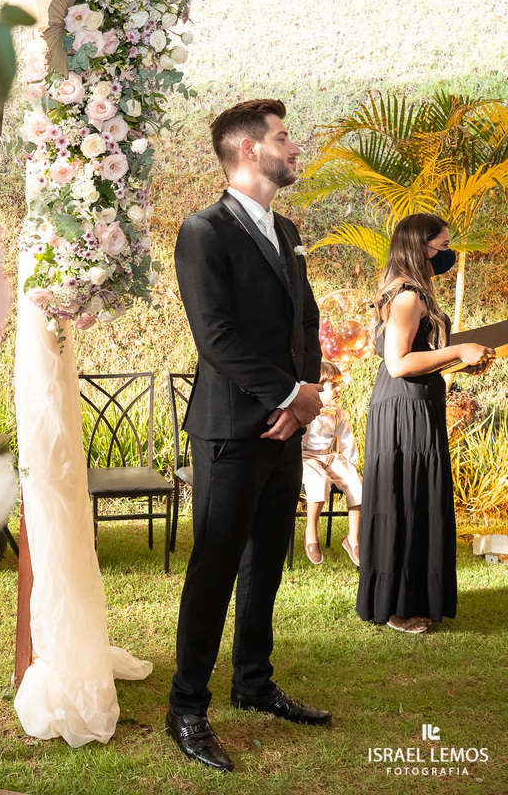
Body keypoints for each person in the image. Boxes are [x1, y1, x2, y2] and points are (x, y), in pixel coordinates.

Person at [168, 99, 331, 773]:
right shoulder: (202, 231)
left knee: (268, 560)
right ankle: (185, 709)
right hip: (230, 432)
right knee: (215, 567)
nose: (295, 147)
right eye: (284, 138)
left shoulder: (288, 230)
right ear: (246, 150)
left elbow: (308, 326)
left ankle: (254, 683)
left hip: (281, 431)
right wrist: (290, 395)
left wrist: (302, 405)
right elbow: (216, 338)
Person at [355, 214, 495, 634]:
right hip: (404, 407)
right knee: (405, 499)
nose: (448, 253)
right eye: (443, 245)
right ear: (420, 247)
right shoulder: (407, 296)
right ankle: (397, 607)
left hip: (416, 400)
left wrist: (461, 361)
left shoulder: (407, 288)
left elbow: (420, 353)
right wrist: (462, 348)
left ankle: (406, 598)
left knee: (413, 498)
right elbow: (398, 363)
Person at [301, 360, 362, 566]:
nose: (339, 389)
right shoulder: (306, 411)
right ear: (318, 388)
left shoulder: (338, 413)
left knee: (356, 481)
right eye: (333, 385)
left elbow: (347, 441)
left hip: (327, 456)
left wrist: (350, 468)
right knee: (319, 480)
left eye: (339, 384)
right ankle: (311, 533)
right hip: (305, 457)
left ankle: (353, 538)